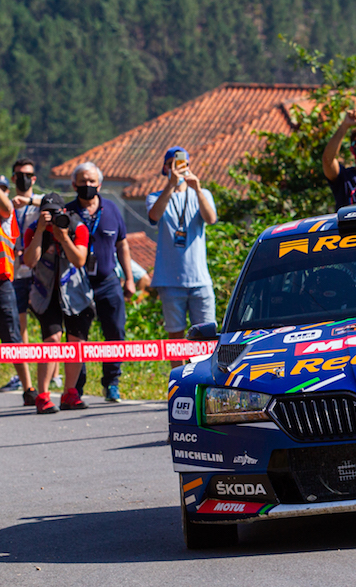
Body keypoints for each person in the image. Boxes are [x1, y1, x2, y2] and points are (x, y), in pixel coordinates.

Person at [66, 162, 133, 403]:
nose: (87, 185)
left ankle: (112, 383)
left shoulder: (112, 209)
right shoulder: (67, 213)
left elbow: (122, 245)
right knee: (77, 337)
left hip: (108, 281)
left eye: (92, 181)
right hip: (76, 284)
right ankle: (76, 387)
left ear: (100, 184)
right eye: (83, 181)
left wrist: (129, 279)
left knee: (115, 331)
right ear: (74, 184)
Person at [22, 193, 93, 413]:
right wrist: (41, 231)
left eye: (55, 213)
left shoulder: (76, 227)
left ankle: (70, 393)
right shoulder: (34, 229)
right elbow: (29, 261)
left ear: (64, 212)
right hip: (46, 295)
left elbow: (79, 260)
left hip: (75, 293)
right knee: (52, 340)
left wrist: (63, 237)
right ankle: (43, 396)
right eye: (47, 213)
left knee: (76, 343)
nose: (52, 217)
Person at [146, 147, 217, 368]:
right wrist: (170, 185)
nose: (177, 168)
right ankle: (178, 378)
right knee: (175, 336)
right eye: (172, 164)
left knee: (206, 335)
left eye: (182, 163)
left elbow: (211, 218)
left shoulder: (202, 194)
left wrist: (197, 189)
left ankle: (205, 377)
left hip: (199, 279)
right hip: (169, 279)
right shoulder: (155, 196)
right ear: (165, 168)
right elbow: (154, 216)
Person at [0, 159, 45, 398]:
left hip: (20, 277)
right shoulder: (9, 207)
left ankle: (35, 384)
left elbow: (53, 204)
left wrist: (26, 201)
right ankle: (25, 382)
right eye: (19, 175)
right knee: (18, 329)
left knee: (18, 334)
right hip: (15, 276)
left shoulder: (11, 211)